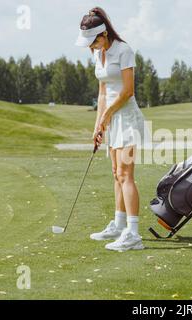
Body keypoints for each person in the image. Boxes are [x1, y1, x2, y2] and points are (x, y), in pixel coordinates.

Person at [75, 7, 146, 251]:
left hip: (126, 118)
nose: (90, 47)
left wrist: (108, 114)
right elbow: (103, 92)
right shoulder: (99, 53)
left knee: (126, 174)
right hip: (112, 118)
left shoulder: (124, 51)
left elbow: (128, 91)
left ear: (103, 34)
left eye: (93, 41)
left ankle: (133, 234)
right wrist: (98, 125)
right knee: (116, 172)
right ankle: (118, 225)